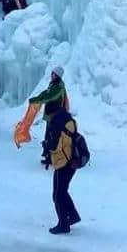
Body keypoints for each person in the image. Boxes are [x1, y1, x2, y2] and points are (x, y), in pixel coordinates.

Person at [42, 98, 80, 235]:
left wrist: (46, 147)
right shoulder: (68, 119)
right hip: (73, 160)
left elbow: (54, 145)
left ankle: (63, 224)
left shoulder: (56, 123)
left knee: (58, 194)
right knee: (62, 191)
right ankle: (73, 216)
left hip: (63, 162)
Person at [28, 67, 70, 164]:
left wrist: (36, 100)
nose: (51, 75)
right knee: (49, 136)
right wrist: (36, 98)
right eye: (52, 73)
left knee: (52, 136)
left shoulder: (58, 88)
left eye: (53, 74)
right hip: (51, 116)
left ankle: (52, 158)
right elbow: (45, 93)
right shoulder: (53, 85)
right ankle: (49, 156)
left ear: (57, 76)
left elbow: (49, 96)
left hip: (55, 117)